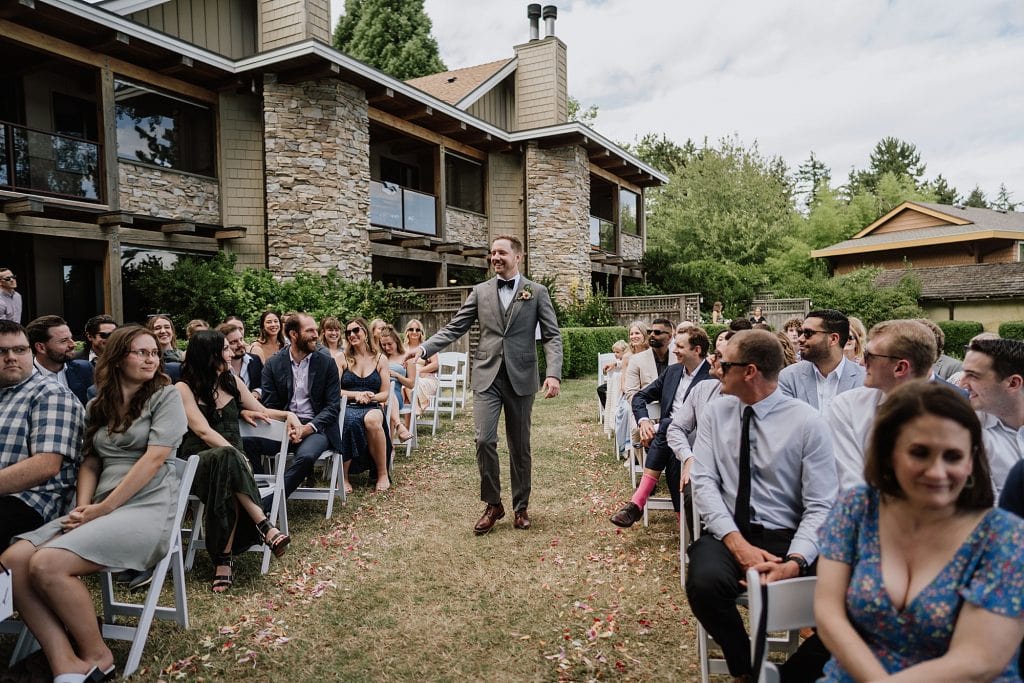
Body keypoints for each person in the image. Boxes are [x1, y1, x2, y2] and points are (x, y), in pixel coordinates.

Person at [1, 325, 187, 682]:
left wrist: (102, 509)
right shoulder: (97, 403)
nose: (151, 359)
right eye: (141, 352)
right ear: (117, 359)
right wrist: (82, 508)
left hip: (145, 506)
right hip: (100, 505)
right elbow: (90, 461)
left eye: (154, 353)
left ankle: (98, 656)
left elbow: (152, 461)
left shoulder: (167, 396)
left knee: (47, 564)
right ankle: (64, 662)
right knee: (14, 561)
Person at [815, 381, 1024, 681]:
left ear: (971, 459)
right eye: (920, 453)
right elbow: (828, 614)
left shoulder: (1004, 537)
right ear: (889, 454)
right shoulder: (858, 508)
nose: (937, 472)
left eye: (952, 456)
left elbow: (977, 661)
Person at [687, 329, 837, 681]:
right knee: (704, 583)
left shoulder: (807, 422)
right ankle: (747, 672)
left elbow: (821, 504)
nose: (715, 367)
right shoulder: (716, 412)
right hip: (729, 533)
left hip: (790, 536)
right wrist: (736, 543)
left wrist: (797, 561)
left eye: (724, 363)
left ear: (749, 371)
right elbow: (704, 481)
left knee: (850, 606)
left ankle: (787, 679)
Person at [406, 235, 562, 534]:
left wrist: (553, 372)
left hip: (521, 376)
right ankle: (493, 504)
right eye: (492, 253)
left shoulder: (536, 292)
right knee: (483, 440)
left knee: (520, 446)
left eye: (502, 252)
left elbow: (553, 336)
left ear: (518, 256)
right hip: (486, 376)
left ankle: (521, 507)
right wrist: (424, 348)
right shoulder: (480, 292)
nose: (495, 257)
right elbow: (455, 326)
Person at [177, 330, 297, 592]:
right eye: (225, 349)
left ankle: (224, 561)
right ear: (209, 355)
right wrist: (237, 454)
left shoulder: (231, 380)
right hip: (198, 462)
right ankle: (264, 525)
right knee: (228, 460)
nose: (231, 353)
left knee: (228, 476)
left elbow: (261, 411)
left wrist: (289, 415)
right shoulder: (183, 388)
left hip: (231, 464)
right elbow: (203, 431)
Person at [610, 327, 712, 526]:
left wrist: (658, 428)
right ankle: (685, 522)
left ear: (697, 350)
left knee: (667, 431)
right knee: (672, 449)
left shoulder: (711, 377)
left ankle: (637, 503)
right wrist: (644, 421)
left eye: (680, 346)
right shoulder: (673, 372)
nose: (674, 350)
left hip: (697, 437)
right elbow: (640, 396)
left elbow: (703, 419)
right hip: (671, 440)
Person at [0, 320, 85, 551]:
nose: (11, 357)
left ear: (31, 351)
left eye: (19, 349)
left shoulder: (50, 394)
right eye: (2, 351)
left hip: (32, 503)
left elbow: (45, 466)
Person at [827, 319, 936, 491]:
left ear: (900, 368)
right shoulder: (848, 406)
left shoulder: (954, 413)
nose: (862, 362)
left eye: (869, 356)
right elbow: (852, 486)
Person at [260, 313, 342, 501]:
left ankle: (268, 504)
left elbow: (332, 407)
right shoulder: (273, 364)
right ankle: (258, 489)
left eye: (316, 330)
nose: (316, 335)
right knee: (246, 443)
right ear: (293, 335)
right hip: (282, 425)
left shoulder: (326, 363)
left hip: (316, 427)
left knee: (305, 458)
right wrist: (286, 422)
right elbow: (269, 405)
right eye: (310, 331)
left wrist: (307, 428)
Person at [959, 337, 1024, 496]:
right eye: (964, 373)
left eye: (973, 375)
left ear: (1013, 383)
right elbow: (984, 505)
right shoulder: (966, 432)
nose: (962, 383)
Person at [337, 317, 393, 492]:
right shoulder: (342, 358)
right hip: (347, 405)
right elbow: (335, 391)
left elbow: (385, 393)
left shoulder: (380, 359)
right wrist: (356, 395)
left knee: (372, 421)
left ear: (365, 333)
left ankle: (382, 473)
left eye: (356, 330)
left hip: (372, 405)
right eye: (348, 332)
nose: (352, 335)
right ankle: (343, 477)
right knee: (347, 420)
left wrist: (371, 397)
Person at [778, 309, 865, 413]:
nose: (800, 339)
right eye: (801, 332)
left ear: (833, 339)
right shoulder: (789, 378)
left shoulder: (863, 380)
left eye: (808, 333)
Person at [27, 315, 94, 405]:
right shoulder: (24, 377)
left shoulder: (84, 369)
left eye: (71, 338)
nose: (72, 344)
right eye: (64, 341)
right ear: (41, 347)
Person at [379, 324, 415, 442]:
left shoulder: (407, 357)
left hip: (395, 393)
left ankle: (391, 444)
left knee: (389, 396)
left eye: (390, 344)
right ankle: (396, 434)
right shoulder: (380, 357)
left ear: (396, 341)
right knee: (384, 401)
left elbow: (411, 384)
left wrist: (397, 375)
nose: (387, 347)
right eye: (383, 345)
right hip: (379, 392)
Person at [403, 318, 438, 416]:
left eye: (417, 330)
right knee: (404, 386)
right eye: (411, 329)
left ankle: (415, 410)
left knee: (407, 386)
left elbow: (436, 364)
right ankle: (413, 414)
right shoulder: (402, 348)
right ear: (407, 332)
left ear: (421, 332)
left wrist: (420, 370)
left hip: (425, 378)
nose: (414, 332)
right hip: (408, 378)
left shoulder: (426, 347)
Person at [218, 322, 263, 399]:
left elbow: (266, 384)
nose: (241, 344)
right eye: (233, 342)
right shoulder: (219, 368)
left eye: (241, 339)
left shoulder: (255, 360)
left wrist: (257, 392)